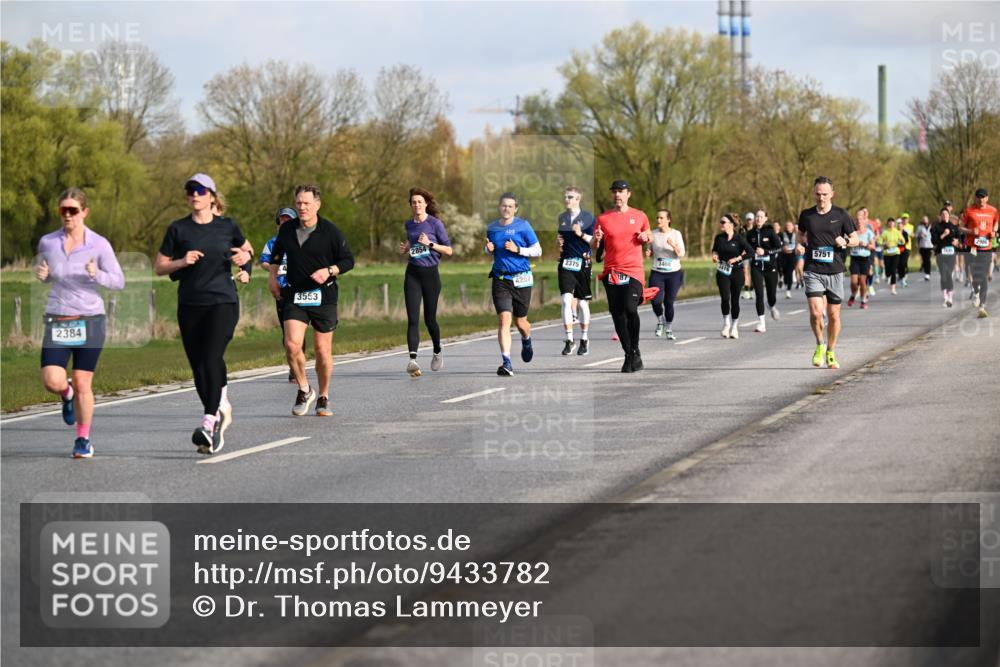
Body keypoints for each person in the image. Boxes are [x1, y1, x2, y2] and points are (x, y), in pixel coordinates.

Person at [155, 173, 253, 454]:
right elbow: (160, 266)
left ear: (211, 195)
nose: (194, 194)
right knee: (198, 368)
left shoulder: (227, 226)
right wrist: (181, 261)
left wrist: (245, 264)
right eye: (189, 190)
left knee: (211, 357)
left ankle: (208, 422)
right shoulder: (178, 229)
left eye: (199, 190)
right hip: (189, 305)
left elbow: (248, 252)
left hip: (222, 302)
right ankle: (217, 408)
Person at [35, 188, 125, 458]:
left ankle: (83, 439)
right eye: (63, 210)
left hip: (90, 320)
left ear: (84, 212)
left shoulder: (99, 245)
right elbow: (50, 274)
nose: (68, 215)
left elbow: (119, 281)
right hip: (59, 319)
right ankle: (66, 393)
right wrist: (44, 275)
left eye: (73, 210)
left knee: (84, 381)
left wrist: (98, 274)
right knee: (52, 380)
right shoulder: (48, 243)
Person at [268, 184, 354, 414]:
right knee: (291, 344)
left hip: (323, 296)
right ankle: (305, 389)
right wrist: (272, 277)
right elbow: (276, 255)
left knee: (322, 351)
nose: (302, 207)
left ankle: (323, 395)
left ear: (317, 205)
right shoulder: (287, 231)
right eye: (299, 203)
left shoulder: (330, 231)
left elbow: (348, 260)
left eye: (306, 203)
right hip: (295, 294)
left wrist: (330, 270)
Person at [796, 176, 858, 370]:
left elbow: (856, 239)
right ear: (814, 193)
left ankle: (831, 351)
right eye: (818, 194)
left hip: (835, 270)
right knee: (816, 313)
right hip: (813, 268)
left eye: (824, 194)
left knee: (833, 315)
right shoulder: (806, 215)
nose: (821, 197)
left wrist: (846, 242)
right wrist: (799, 245)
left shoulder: (841, 214)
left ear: (832, 194)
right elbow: (800, 235)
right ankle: (819, 345)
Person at [592, 180, 652, 371]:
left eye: (621, 191)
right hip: (612, 272)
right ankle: (629, 354)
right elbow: (597, 250)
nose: (617, 195)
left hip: (633, 271)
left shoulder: (639, 216)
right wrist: (597, 240)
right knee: (617, 314)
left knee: (630, 309)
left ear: (628, 194)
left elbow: (648, 234)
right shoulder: (603, 219)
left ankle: (634, 348)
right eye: (615, 192)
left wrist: (646, 238)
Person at [485, 192, 541, 376]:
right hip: (501, 279)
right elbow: (489, 249)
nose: (506, 209)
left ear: (515, 208)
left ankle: (526, 339)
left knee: (521, 322)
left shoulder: (523, 226)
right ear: (499, 207)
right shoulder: (492, 228)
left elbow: (537, 250)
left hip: (522, 278)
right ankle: (506, 362)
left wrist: (518, 249)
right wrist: (488, 249)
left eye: (510, 206)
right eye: (503, 205)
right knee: (504, 320)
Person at [399, 187, 453, 376]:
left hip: (431, 275)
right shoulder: (409, 224)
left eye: (420, 202)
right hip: (413, 273)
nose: (417, 205)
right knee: (413, 319)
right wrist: (407, 247)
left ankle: (437, 350)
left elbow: (449, 250)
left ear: (426, 204)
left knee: (430, 320)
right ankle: (412, 360)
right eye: (413, 202)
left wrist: (430, 244)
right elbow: (412, 241)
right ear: (411, 205)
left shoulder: (435, 224)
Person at [260, 207, 301, 381]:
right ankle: (293, 364)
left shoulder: (301, 239)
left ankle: (299, 364)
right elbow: (263, 261)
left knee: (298, 330)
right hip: (281, 288)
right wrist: (274, 268)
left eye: (289, 219)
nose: (285, 222)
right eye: (282, 219)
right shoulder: (272, 242)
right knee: (286, 331)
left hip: (298, 288)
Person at [555, 186, 595, 355]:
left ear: (578, 199)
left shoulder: (588, 218)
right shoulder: (562, 218)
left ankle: (584, 339)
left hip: (583, 264)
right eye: (565, 197)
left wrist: (580, 234)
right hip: (566, 263)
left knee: (582, 302)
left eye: (571, 197)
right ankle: (569, 340)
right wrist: (559, 244)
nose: (567, 200)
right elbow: (562, 239)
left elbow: (594, 242)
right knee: (565, 300)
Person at [711, 213, 753, 339]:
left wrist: (737, 258)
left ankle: (734, 327)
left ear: (731, 224)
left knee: (735, 300)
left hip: (736, 272)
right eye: (720, 222)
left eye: (723, 222)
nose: (721, 224)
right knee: (725, 298)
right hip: (723, 271)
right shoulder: (719, 238)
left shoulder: (738, 238)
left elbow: (751, 252)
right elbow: (715, 250)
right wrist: (714, 255)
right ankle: (726, 324)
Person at [959, 187, 999, 318]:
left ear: (987, 198)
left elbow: (996, 223)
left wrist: (994, 231)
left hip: (986, 247)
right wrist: (971, 232)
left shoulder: (993, 210)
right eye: (979, 197)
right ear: (975, 198)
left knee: (983, 276)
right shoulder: (969, 211)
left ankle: (982, 306)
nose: (981, 199)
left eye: (983, 197)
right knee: (976, 274)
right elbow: (960, 227)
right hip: (973, 248)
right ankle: (975, 291)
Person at [646, 209, 685, 340]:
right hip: (657, 272)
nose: (658, 220)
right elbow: (650, 250)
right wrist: (649, 253)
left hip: (673, 274)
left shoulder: (676, 234)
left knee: (669, 302)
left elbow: (681, 253)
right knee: (655, 301)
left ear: (668, 220)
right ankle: (660, 321)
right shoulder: (653, 234)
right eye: (657, 218)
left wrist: (673, 244)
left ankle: (668, 327)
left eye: (661, 218)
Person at [745, 208, 781, 332]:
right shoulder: (750, 234)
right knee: (759, 295)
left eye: (761, 217)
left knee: (771, 295)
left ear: (765, 219)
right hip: (756, 267)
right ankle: (761, 323)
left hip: (770, 267)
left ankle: (771, 305)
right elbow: (746, 249)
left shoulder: (770, 232)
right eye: (757, 216)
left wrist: (765, 251)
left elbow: (779, 248)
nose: (759, 219)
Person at [931, 208, 961, 307]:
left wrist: (957, 242)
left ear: (949, 215)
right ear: (940, 216)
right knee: (943, 273)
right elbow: (934, 241)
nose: (945, 216)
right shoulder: (936, 228)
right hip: (940, 253)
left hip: (951, 253)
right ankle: (945, 297)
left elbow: (959, 240)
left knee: (948, 273)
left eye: (946, 214)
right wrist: (944, 234)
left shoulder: (954, 227)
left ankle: (950, 297)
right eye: (943, 214)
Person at [847, 207, 876, 309]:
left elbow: (873, 246)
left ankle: (863, 300)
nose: (859, 221)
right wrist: (852, 243)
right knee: (854, 282)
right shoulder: (852, 232)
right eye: (857, 219)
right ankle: (854, 294)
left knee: (863, 281)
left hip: (865, 258)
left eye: (860, 219)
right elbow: (847, 243)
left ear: (864, 220)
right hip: (854, 258)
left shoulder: (869, 232)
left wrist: (866, 244)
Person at [877, 218, 904, 295]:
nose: (891, 224)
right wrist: (884, 244)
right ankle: (887, 275)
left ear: (894, 224)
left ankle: (893, 288)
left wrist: (901, 241)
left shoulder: (897, 232)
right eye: (889, 223)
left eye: (892, 223)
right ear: (887, 224)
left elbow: (903, 240)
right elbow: (879, 241)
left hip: (896, 253)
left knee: (893, 270)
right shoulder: (885, 232)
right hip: (887, 253)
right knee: (888, 269)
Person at [778, 221, 798, 299]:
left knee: (789, 272)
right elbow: (779, 244)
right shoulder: (782, 235)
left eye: (790, 225)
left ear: (793, 227)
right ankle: (783, 280)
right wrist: (783, 247)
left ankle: (788, 290)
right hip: (784, 256)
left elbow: (798, 244)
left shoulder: (796, 236)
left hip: (792, 256)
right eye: (787, 225)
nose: (788, 227)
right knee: (785, 272)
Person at [740, 212, 755, 300]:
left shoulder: (756, 229)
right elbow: (739, 240)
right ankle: (746, 291)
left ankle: (751, 290)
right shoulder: (742, 229)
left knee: (753, 273)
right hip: (745, 253)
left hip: (754, 253)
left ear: (753, 220)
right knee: (745, 271)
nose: (749, 221)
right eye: (748, 219)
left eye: (751, 219)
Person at [916, 215, 934, 281]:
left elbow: (934, 234)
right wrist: (920, 235)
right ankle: (925, 269)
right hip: (922, 245)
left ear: (928, 220)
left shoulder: (931, 227)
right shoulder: (920, 227)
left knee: (927, 259)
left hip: (930, 245)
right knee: (924, 260)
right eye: (923, 220)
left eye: (926, 219)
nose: (925, 221)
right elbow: (916, 235)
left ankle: (927, 274)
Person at [898, 213, 914, 286]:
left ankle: (903, 277)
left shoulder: (911, 226)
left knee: (904, 262)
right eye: (903, 218)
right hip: (898, 248)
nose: (905, 220)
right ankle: (901, 276)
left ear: (908, 219)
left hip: (907, 247)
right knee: (899, 263)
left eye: (906, 218)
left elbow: (912, 235)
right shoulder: (898, 226)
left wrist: (911, 234)